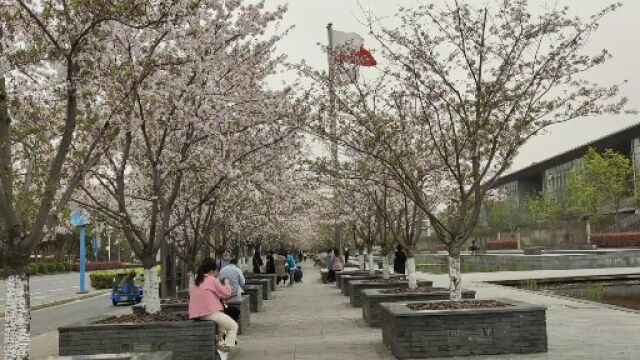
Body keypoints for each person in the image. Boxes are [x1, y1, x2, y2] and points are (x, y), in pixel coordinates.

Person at [189, 257, 238, 354]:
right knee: (233, 326)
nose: (217, 273)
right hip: (209, 313)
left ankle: (220, 341)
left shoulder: (197, 280)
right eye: (216, 270)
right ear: (212, 270)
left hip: (198, 314)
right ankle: (225, 350)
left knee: (222, 322)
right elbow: (226, 293)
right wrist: (226, 284)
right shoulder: (212, 279)